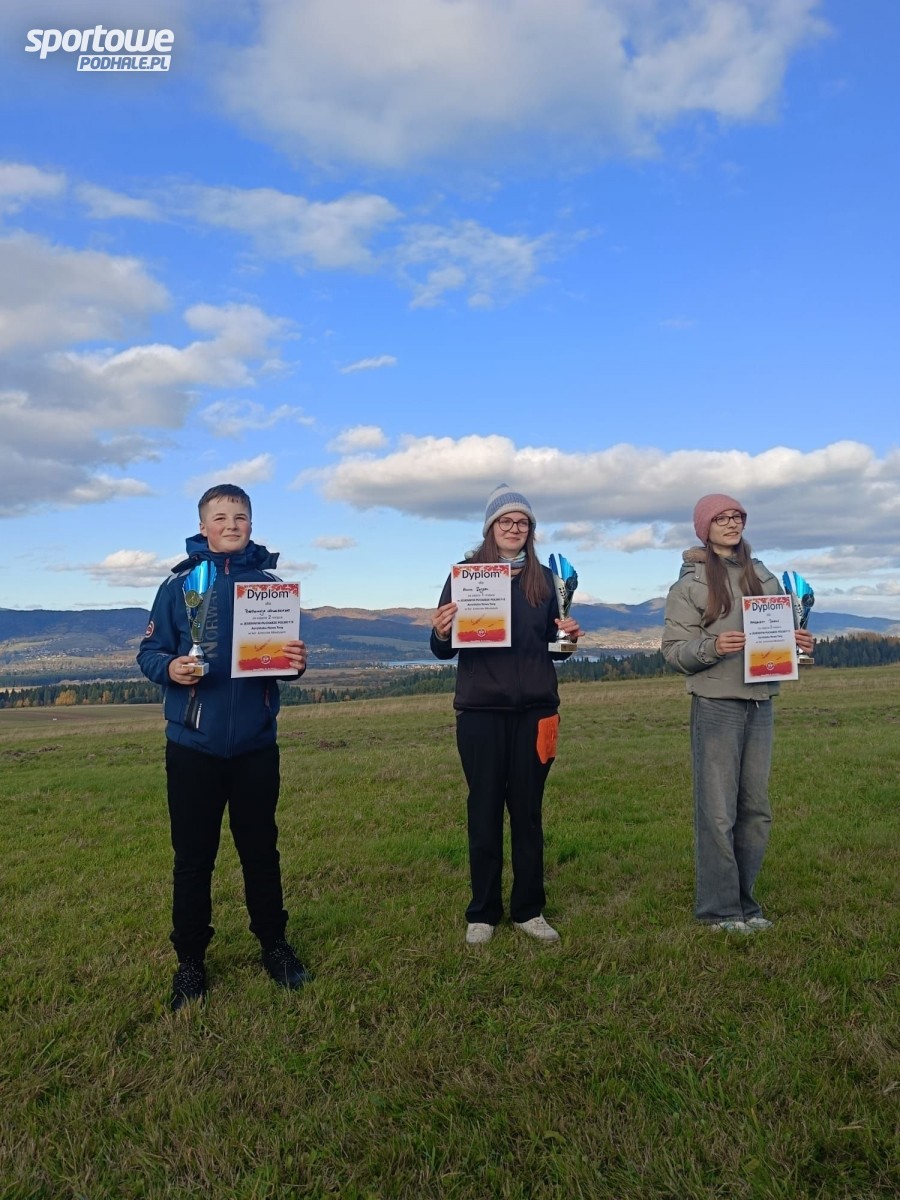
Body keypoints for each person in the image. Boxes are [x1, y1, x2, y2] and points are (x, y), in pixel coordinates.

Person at [137, 484, 310, 1010]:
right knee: (193, 859)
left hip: (256, 746)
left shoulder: (272, 589)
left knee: (261, 852)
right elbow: (149, 652)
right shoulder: (179, 585)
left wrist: (295, 664)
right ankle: (190, 961)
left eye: (240, 516)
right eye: (220, 517)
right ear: (203, 526)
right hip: (193, 746)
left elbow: (284, 664)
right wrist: (171, 667)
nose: (231, 524)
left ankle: (274, 944)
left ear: (251, 524)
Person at [430, 485, 582, 946]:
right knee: (484, 810)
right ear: (490, 527)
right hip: (480, 712)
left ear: (530, 531)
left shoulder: (546, 581)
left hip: (536, 712)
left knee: (528, 813)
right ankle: (483, 912)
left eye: (523, 523)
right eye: (506, 521)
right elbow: (443, 649)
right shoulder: (465, 576)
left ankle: (529, 910)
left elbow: (556, 652)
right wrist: (440, 632)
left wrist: (569, 638)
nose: (515, 529)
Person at [662, 494, 815, 933]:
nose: (732, 524)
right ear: (704, 528)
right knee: (717, 812)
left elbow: (782, 632)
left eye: (737, 517)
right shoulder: (689, 585)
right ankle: (719, 909)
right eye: (722, 518)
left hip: (761, 700)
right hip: (716, 704)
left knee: (756, 810)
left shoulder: (763, 576)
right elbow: (673, 652)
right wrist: (712, 647)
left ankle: (746, 905)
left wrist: (801, 643)